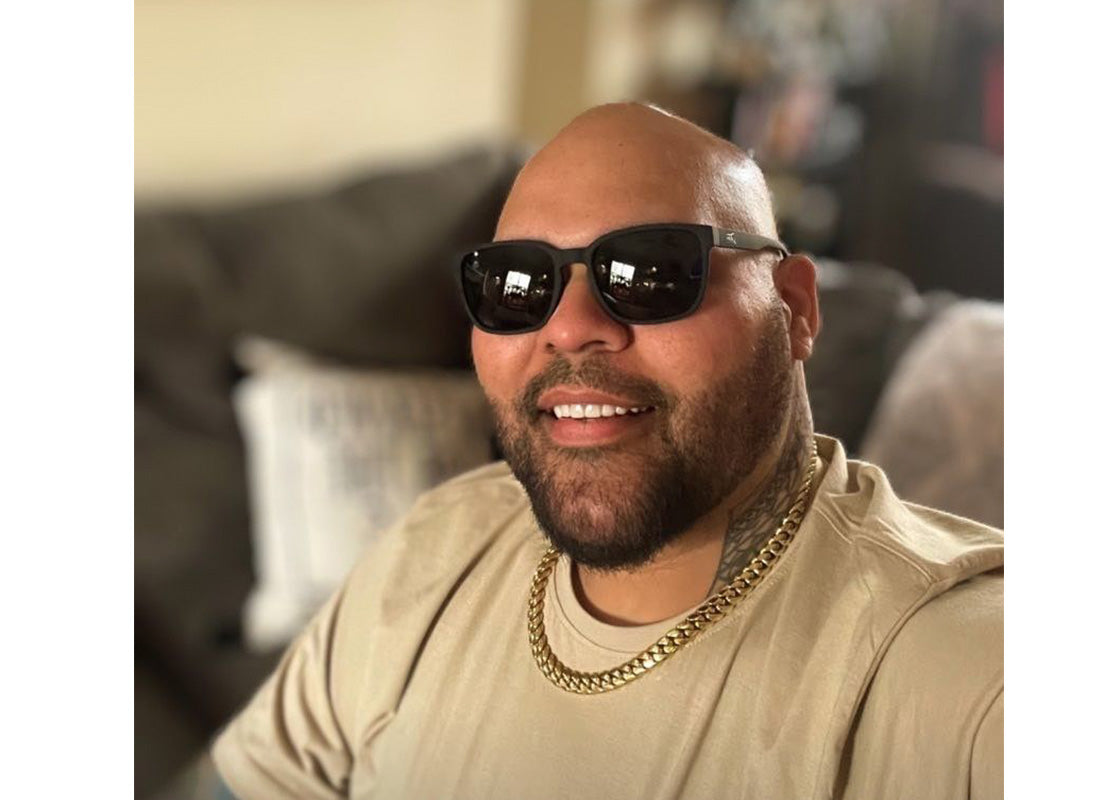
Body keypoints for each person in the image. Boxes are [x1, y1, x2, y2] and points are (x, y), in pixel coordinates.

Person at [208, 103, 1003, 799]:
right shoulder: (432, 550)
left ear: (793, 308)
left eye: (651, 272)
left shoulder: (970, 676)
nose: (569, 326)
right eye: (517, 284)